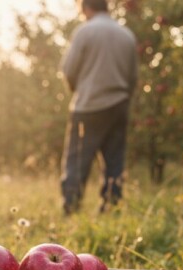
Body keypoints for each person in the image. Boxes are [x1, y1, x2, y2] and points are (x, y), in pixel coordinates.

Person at [59, 0, 138, 215]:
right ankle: (111, 208)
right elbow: (133, 77)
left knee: (77, 161)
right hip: (119, 104)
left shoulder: (85, 32)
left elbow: (68, 70)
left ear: (85, 8)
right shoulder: (127, 35)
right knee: (114, 161)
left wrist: (78, 90)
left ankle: (71, 208)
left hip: (88, 105)